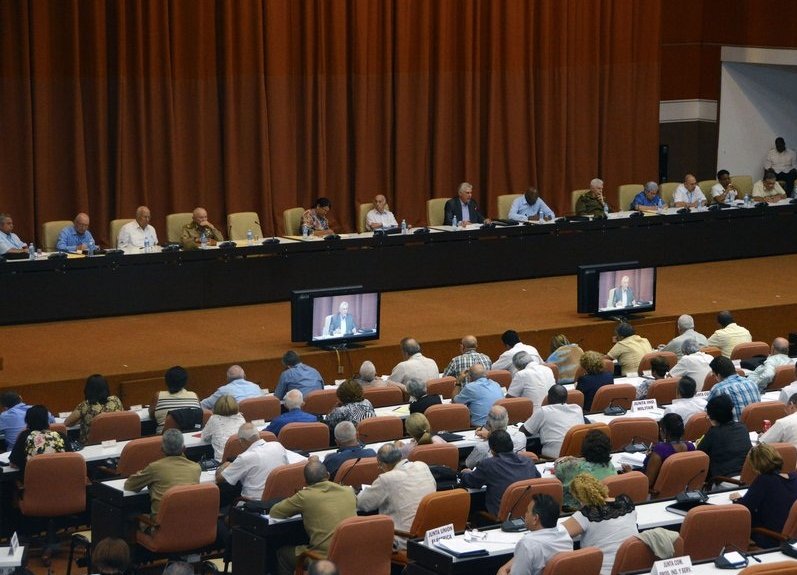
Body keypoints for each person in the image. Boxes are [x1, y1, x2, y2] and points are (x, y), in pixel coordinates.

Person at [271, 457, 356, 575]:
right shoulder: (348, 491)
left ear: (305, 482)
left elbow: (275, 512)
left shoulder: (304, 496)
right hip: (351, 553)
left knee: (282, 554)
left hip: (321, 557)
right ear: (327, 475)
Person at [356, 443, 436, 550]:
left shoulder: (387, 479)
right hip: (429, 536)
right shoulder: (422, 466)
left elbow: (361, 503)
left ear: (383, 464)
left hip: (403, 541)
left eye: (379, 466)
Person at [563, 473, 638, 575]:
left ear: (579, 498)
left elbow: (558, 533)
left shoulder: (587, 514)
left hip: (601, 571)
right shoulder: (626, 502)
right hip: (633, 567)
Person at [730, 443, 797, 548]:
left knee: (733, 521)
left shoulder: (764, 480)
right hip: (791, 536)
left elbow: (744, 508)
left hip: (770, 536)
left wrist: (736, 500)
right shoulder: (794, 477)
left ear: (755, 465)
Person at [460, 430, 540, 517]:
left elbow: (471, 482)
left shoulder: (489, 464)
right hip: (526, 514)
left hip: (499, 517)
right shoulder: (528, 461)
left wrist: (464, 473)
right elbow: (538, 479)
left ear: (492, 449)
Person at [124, 429, 201, 517]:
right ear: (184, 448)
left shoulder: (154, 468)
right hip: (187, 522)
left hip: (159, 526)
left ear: (162, 449)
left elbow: (129, 485)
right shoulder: (196, 468)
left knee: (132, 515)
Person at [496, 494, 574, 575]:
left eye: (527, 511)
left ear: (535, 519)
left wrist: (501, 571)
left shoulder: (527, 544)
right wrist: (506, 567)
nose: (525, 514)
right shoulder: (564, 532)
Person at [216, 422, 288, 499]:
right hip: (278, 498)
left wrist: (225, 465)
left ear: (241, 440)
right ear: (258, 435)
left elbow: (219, 478)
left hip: (252, 503)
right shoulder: (277, 445)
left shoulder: (244, 458)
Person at [555, 430, 617, 511]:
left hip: (576, 510)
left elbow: (558, 468)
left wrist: (569, 460)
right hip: (606, 507)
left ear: (584, 447)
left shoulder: (574, 465)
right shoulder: (610, 465)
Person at [521, 384, 584, 459]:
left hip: (553, 458)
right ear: (566, 398)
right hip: (577, 455)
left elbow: (524, 431)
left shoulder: (543, 411)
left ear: (548, 398)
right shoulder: (577, 409)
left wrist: (531, 420)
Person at [699, 394, 752, 481]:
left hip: (725, 480)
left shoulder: (713, 433)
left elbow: (700, 454)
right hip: (747, 476)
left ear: (713, 416)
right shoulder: (742, 427)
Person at [8, 404, 68, 475]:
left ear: (27, 420)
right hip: (61, 480)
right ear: (47, 420)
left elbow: (13, 463)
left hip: (34, 482)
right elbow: (70, 458)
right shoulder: (61, 436)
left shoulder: (25, 436)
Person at [64, 374, 123, 444]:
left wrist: (82, 419)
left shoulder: (86, 405)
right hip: (115, 442)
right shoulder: (116, 400)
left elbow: (67, 423)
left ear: (88, 389)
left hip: (90, 446)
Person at [642, 413, 694, 487]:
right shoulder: (691, 447)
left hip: (657, 496)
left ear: (664, 431)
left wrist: (630, 472)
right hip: (681, 489)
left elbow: (647, 483)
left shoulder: (660, 450)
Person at [706, 355, 760, 421]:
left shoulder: (719, 388)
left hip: (733, 429)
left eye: (714, 375)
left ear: (719, 375)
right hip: (754, 427)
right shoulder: (752, 383)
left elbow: (707, 411)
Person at [149, 365, 200, 434]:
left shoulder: (158, 396)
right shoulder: (194, 395)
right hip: (191, 435)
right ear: (185, 382)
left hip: (164, 439)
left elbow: (152, 415)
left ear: (166, 381)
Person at [201, 395, 246, 461]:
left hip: (222, 462)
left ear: (216, 407)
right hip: (241, 459)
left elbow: (204, 438)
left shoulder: (214, 419)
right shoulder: (240, 418)